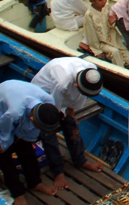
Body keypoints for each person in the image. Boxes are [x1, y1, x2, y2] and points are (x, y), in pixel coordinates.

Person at [0, 80, 59, 205]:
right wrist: (4, 143)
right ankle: (17, 192)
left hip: (18, 96)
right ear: (32, 119)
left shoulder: (49, 102)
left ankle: (34, 182)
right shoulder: (13, 112)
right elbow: (5, 127)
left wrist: (22, 137)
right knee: (3, 153)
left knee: (27, 148)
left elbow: (32, 132)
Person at [31, 58, 105, 189]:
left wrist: (70, 112)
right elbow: (53, 109)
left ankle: (80, 160)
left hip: (64, 96)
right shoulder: (62, 82)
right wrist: (56, 119)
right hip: (43, 96)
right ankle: (57, 170)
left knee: (71, 124)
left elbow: (82, 94)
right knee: (48, 131)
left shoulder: (91, 71)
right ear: (76, 85)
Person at [85, 0, 129, 69]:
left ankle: (119, 65)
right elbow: (92, 35)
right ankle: (120, 72)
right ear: (92, 1)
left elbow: (111, 25)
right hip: (102, 43)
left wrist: (112, 22)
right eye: (100, 0)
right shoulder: (89, 15)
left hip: (114, 39)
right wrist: (97, 51)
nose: (104, 1)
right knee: (115, 52)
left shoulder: (107, 6)